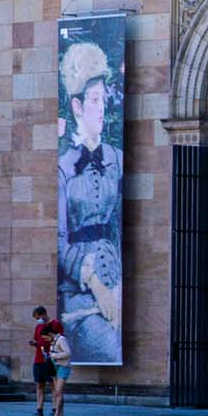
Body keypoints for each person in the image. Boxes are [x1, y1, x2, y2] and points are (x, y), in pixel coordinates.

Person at [57, 41, 125, 365]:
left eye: (104, 100)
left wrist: (120, 289)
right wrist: (95, 283)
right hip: (81, 300)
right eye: (94, 100)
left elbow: (121, 226)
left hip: (118, 287)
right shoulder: (63, 167)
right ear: (77, 106)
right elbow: (59, 240)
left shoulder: (117, 158)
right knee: (110, 346)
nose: (102, 108)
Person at [28, 305, 54, 416]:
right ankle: (39, 410)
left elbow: (54, 341)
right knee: (39, 385)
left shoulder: (53, 325)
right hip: (38, 359)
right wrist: (34, 343)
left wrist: (39, 344)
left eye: (38, 317)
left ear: (43, 314)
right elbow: (37, 340)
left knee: (53, 385)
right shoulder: (38, 326)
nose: (37, 320)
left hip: (49, 359)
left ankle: (55, 410)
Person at [46, 321, 72, 416]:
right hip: (57, 366)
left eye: (46, 338)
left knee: (58, 392)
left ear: (49, 334)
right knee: (58, 393)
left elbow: (68, 353)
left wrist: (54, 356)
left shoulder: (61, 339)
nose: (46, 340)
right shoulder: (54, 341)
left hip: (63, 367)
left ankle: (57, 415)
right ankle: (60, 415)